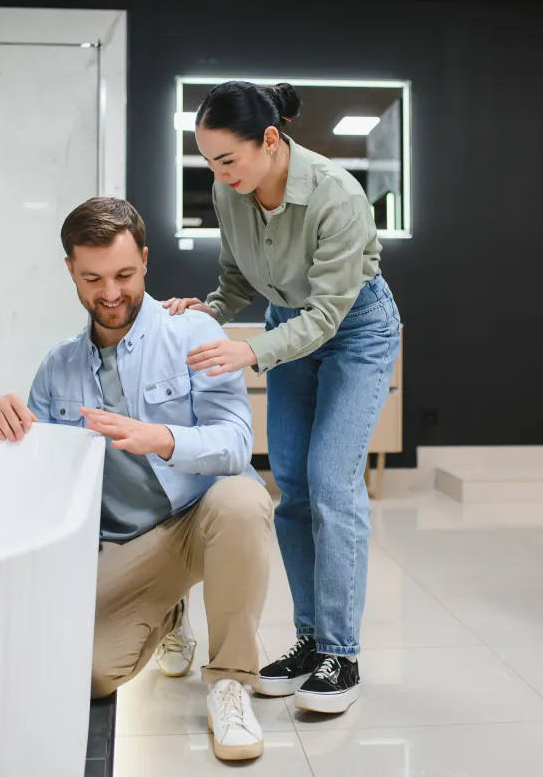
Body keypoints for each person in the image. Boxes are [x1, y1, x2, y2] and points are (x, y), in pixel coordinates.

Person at [0, 197, 274, 762]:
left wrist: (160, 438)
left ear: (145, 259)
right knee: (89, 674)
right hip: (123, 546)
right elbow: (39, 481)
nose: (110, 293)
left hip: (199, 518)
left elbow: (238, 443)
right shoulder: (57, 366)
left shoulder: (191, 331)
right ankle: (170, 611)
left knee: (242, 499)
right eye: (92, 278)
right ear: (70, 269)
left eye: (123, 275)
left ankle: (230, 682)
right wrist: (1, 418)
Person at [163, 81, 402, 715]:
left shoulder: (336, 195)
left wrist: (251, 352)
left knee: (331, 479)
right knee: (291, 483)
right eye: (209, 162)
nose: (218, 175)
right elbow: (239, 276)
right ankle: (309, 641)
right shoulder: (229, 191)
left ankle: (341, 656)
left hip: (354, 330)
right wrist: (206, 310)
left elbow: (327, 313)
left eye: (227, 160)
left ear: (271, 140)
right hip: (287, 327)